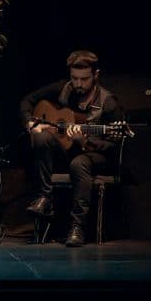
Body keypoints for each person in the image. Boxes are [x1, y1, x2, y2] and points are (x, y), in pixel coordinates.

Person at [21, 50, 126, 247]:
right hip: (66, 151)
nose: (78, 84)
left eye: (84, 79)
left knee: (79, 163)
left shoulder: (108, 103)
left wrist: (85, 142)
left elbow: (115, 146)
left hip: (94, 157)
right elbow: (27, 101)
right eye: (74, 78)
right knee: (42, 136)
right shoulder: (64, 88)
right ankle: (45, 197)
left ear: (95, 75)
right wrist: (30, 123)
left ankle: (77, 226)